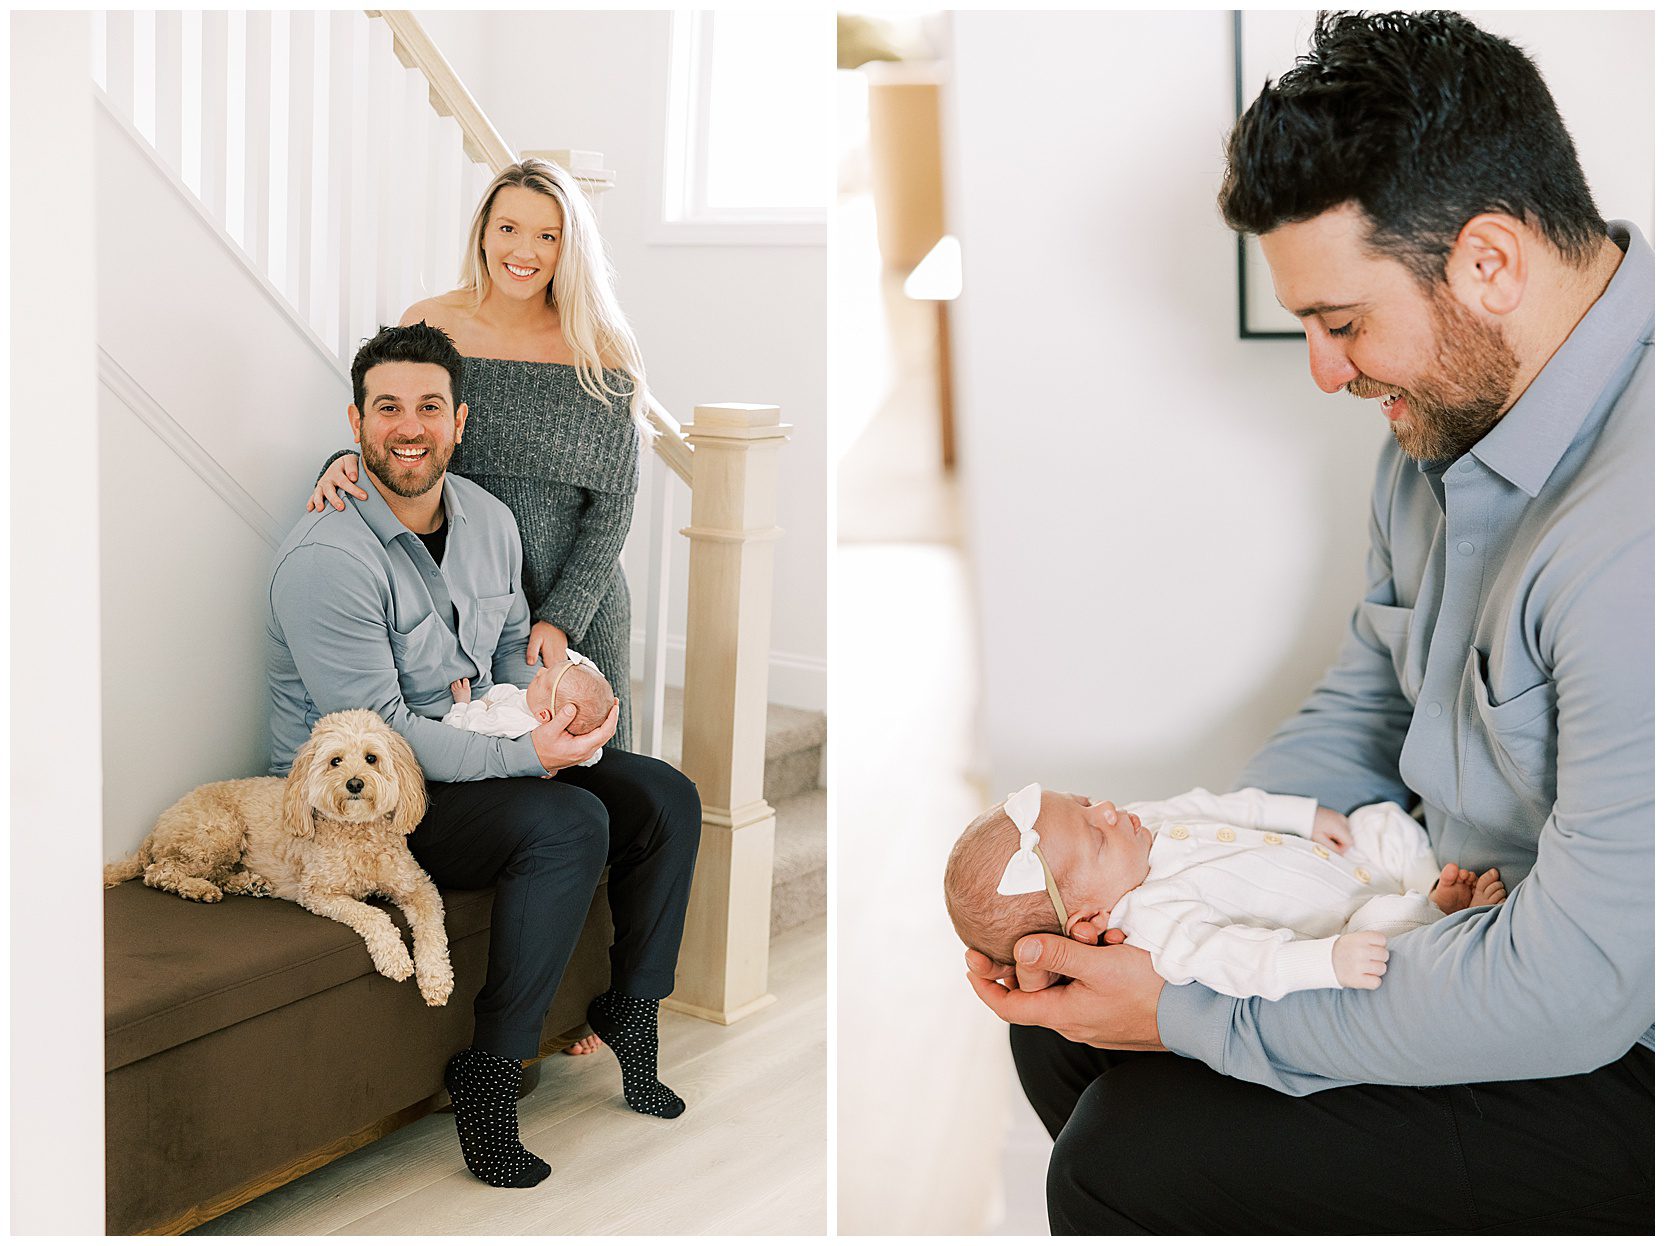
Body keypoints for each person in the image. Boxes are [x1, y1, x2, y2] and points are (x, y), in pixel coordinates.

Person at [965, 11, 1653, 1232]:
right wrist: (1179, 891)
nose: (1327, 373)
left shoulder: (1630, 531)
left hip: (1615, 1026)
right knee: (1071, 1037)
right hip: (1446, 913)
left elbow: (1585, 981)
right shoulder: (1443, 426)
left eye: (1340, 323)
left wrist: (1191, 1006)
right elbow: (1370, 698)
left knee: (1123, 1152)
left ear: (1490, 261)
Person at [268, 323, 701, 1190]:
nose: (409, 426)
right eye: (387, 407)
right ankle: (491, 1074)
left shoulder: (489, 522)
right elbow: (386, 728)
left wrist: (562, 695)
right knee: (568, 820)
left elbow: (506, 660)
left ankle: (631, 1008)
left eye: (429, 407)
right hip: (377, 793)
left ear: (459, 421)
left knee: (663, 795)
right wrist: (529, 758)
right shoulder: (327, 559)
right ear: (355, 422)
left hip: (480, 740)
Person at [310, 156, 654, 1059]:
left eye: (547, 234)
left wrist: (562, 618)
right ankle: (514, 1014)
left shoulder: (603, 349)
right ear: (483, 230)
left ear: (569, 246)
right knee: (516, 798)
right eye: (510, 227)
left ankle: (583, 995)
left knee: (587, 784)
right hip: (464, 580)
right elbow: (404, 431)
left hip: (570, 603)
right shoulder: (433, 321)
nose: (525, 249)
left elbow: (614, 502)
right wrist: (337, 468)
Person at [945, 784, 1504, 993]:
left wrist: (1297, 814)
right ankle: (1439, 918)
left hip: (1339, 860)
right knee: (1383, 925)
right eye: (1096, 834)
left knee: (1381, 821)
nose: (1112, 811)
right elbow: (1240, 961)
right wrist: (1324, 963)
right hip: (1344, 917)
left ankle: (1428, 886)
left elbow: (1212, 803)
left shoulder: (1137, 826)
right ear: (1088, 921)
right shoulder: (1154, 921)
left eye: (1088, 802)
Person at [444, 648, 613, 760]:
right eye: (547, 670)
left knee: (454, 724)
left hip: (470, 744)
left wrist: (472, 705)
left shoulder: (510, 720)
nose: (539, 671)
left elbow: (471, 726)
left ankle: (460, 703)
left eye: (542, 680)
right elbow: (593, 756)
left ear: (543, 715)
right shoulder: (539, 710)